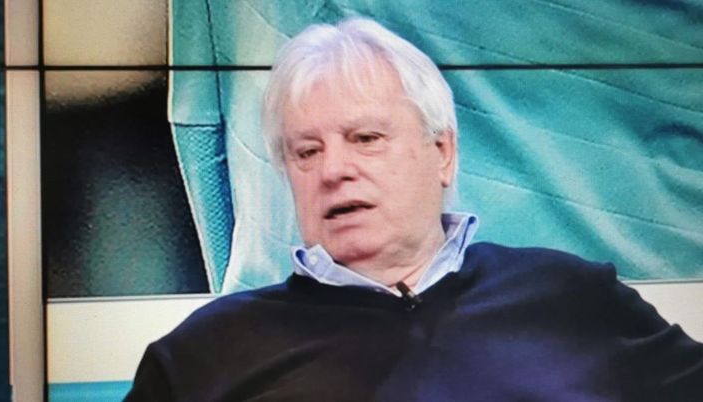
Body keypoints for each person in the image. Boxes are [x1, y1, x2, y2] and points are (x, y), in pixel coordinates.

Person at [125, 18, 703, 401]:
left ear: (442, 153)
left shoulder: (573, 298)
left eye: (366, 139)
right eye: (306, 151)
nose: (333, 170)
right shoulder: (203, 357)